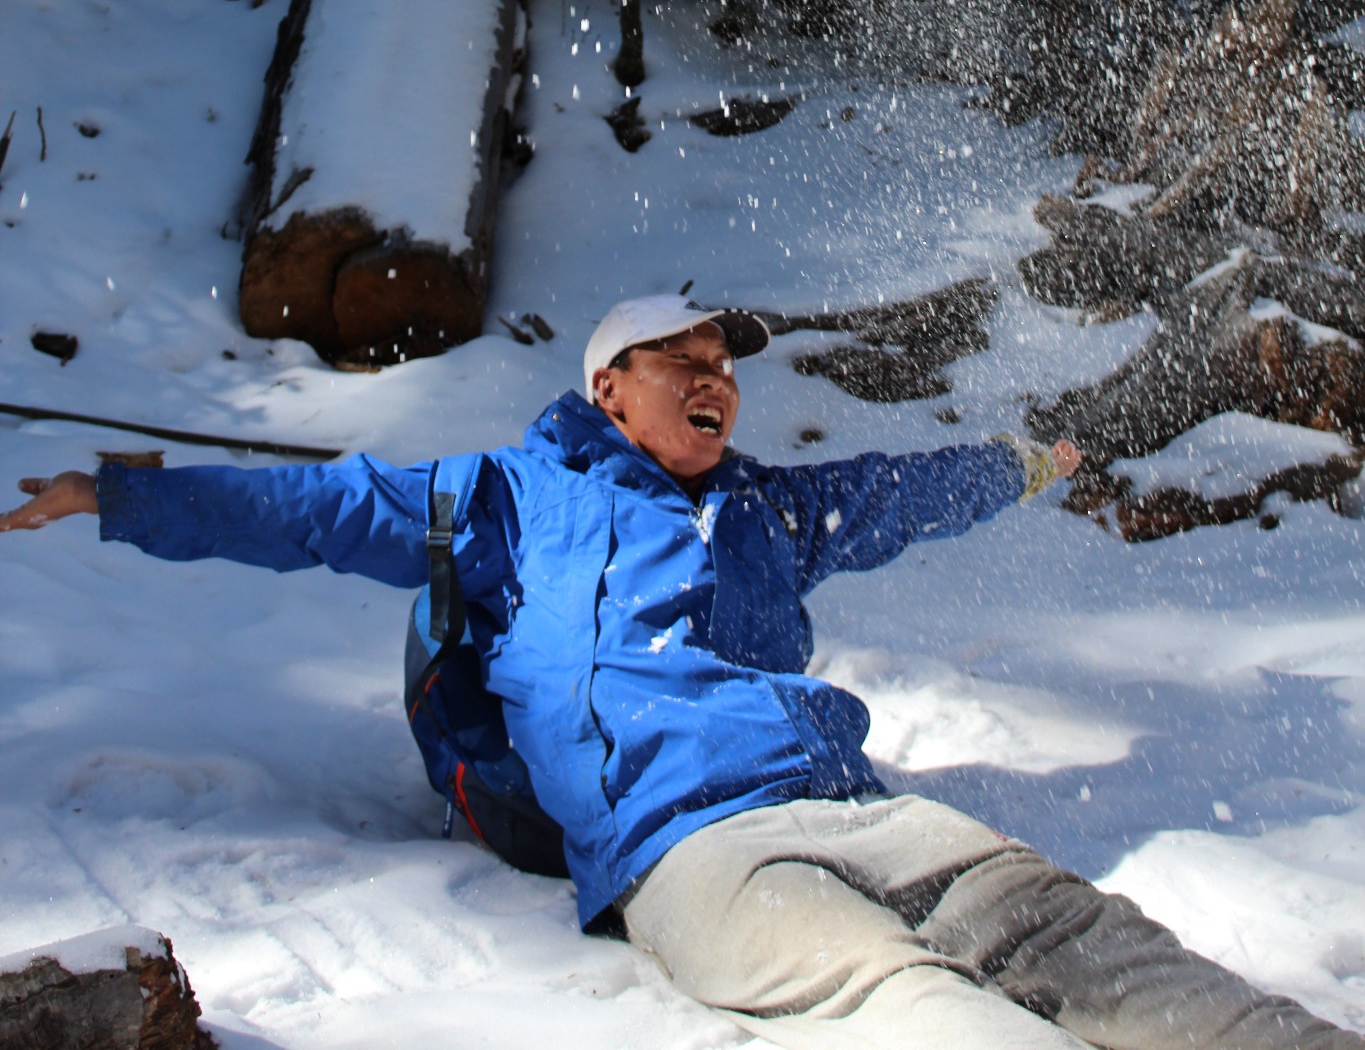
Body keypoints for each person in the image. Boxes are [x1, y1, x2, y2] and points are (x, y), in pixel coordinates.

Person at [2, 293, 1359, 1050]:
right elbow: (313, 511)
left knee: (1081, 936)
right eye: (685, 363)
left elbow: (902, 489)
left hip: (859, 806)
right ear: (610, 390)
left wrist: (1030, 460)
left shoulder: (766, 511)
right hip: (691, 853)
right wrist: (109, 499)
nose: (715, 382)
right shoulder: (509, 500)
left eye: (723, 368)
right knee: (907, 1005)